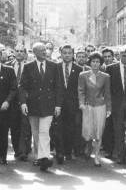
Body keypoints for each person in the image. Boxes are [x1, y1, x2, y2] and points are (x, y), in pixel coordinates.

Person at [18, 42, 62, 171]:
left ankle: (44, 158)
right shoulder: (28, 67)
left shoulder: (54, 66)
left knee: (44, 131)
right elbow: (22, 87)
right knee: (36, 132)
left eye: (45, 50)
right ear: (35, 52)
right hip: (33, 105)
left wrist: (58, 105)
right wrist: (23, 103)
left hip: (48, 106)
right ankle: (39, 157)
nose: (44, 52)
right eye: (41, 50)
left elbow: (58, 87)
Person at [78, 52, 112, 166]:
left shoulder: (105, 76)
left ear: (101, 63)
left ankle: (97, 156)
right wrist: (81, 103)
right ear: (90, 62)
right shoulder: (83, 75)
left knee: (99, 132)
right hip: (87, 106)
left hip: (100, 106)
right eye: (93, 61)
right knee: (87, 131)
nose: (95, 64)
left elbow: (107, 93)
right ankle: (88, 147)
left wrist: (108, 108)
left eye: (98, 62)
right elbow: (81, 90)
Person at [54, 44, 83, 163]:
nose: (67, 55)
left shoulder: (79, 69)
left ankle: (68, 151)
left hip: (73, 104)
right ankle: (59, 152)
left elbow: (80, 89)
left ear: (73, 54)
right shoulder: (54, 67)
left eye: (69, 53)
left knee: (71, 128)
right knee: (57, 128)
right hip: (58, 104)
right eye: (64, 53)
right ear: (61, 54)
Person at [8, 46, 31, 161]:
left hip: (26, 101)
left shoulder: (30, 66)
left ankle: (23, 151)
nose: (19, 53)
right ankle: (17, 149)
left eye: (22, 51)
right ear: (14, 53)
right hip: (11, 101)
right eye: (17, 51)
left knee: (25, 126)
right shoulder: (8, 65)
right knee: (14, 126)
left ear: (25, 54)